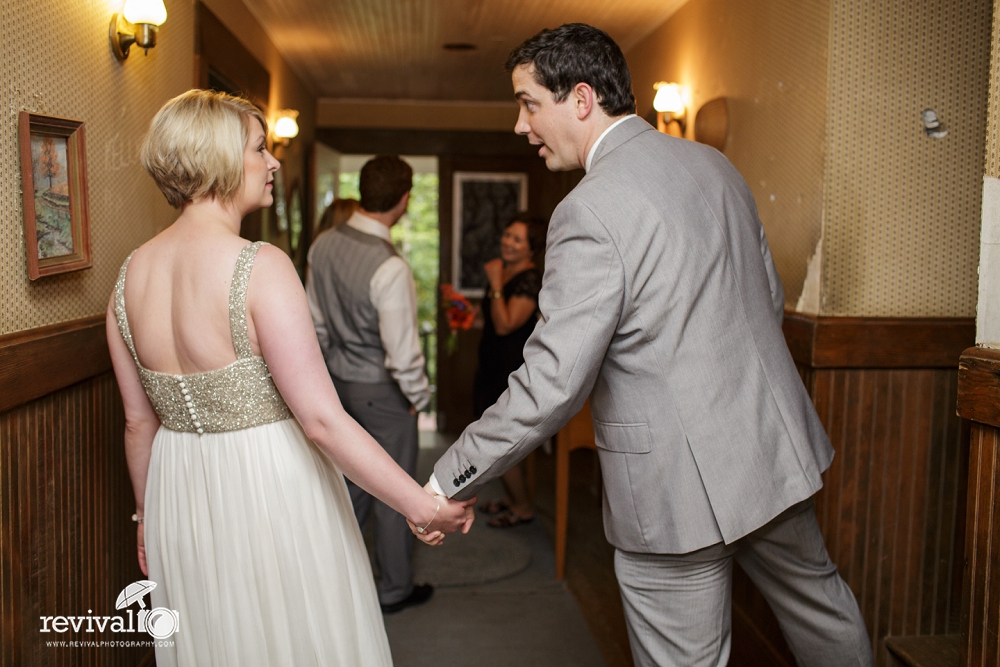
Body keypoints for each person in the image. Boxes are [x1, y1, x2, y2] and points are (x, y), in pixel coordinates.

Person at [425, 24, 873, 667]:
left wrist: (449, 476)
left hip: (670, 483)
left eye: (528, 103)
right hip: (770, 451)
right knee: (823, 611)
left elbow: (552, 384)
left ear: (580, 99)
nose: (521, 125)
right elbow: (767, 300)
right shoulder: (715, 165)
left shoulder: (588, 210)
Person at [106, 90, 473, 667]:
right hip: (268, 484)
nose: (274, 162)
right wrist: (419, 506)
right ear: (221, 158)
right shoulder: (260, 266)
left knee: (217, 638)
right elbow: (323, 421)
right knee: (293, 638)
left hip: (176, 490)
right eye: (260, 148)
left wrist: (147, 520)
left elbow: (136, 422)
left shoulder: (128, 278)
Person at [306, 155, 435, 614]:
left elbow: (315, 326)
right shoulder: (390, 267)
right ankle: (395, 589)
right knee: (397, 491)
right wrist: (419, 399)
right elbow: (402, 357)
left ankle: (331, 577)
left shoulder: (322, 245)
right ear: (403, 201)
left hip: (337, 385)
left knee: (352, 485)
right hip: (382, 393)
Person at [472, 214, 545, 528]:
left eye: (517, 239)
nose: (508, 242)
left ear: (532, 248)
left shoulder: (528, 279)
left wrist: (497, 284)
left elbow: (506, 325)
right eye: (507, 235)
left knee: (501, 442)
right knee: (493, 435)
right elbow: (487, 321)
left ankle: (523, 508)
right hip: (490, 366)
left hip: (509, 372)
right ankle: (513, 499)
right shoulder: (505, 272)